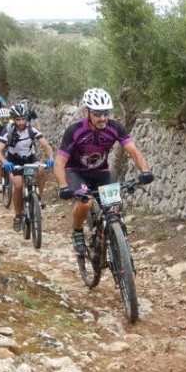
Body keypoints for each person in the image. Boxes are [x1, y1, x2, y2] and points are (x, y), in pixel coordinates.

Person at [53, 88, 154, 254]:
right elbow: (59, 162)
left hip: (101, 172)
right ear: (86, 111)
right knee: (86, 203)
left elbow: (134, 152)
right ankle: (78, 232)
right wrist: (64, 187)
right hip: (76, 172)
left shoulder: (115, 127)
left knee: (113, 208)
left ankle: (113, 243)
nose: (102, 118)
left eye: (106, 113)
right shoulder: (75, 130)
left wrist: (145, 171)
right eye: (97, 114)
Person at [0, 102, 55, 231]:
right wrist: (5, 162)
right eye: (18, 119)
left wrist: (51, 158)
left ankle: (38, 199)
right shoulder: (8, 130)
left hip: (30, 158)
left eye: (23, 119)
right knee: (17, 185)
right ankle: (17, 216)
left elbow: (46, 146)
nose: (21, 122)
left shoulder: (31, 129)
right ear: (13, 119)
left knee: (41, 170)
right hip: (14, 160)